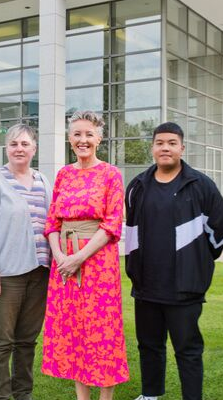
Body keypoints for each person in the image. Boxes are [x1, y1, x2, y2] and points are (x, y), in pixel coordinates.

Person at [124, 122, 223, 400]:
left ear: (182, 147)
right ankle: (150, 394)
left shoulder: (201, 185)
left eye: (172, 143)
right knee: (148, 345)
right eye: (160, 143)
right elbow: (131, 232)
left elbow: (219, 230)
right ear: (153, 148)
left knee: (188, 350)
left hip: (184, 286)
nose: (165, 148)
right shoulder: (137, 186)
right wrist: (135, 270)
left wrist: (197, 261)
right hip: (146, 284)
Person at [42, 110, 129, 400]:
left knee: (102, 331)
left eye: (89, 134)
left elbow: (113, 223)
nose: (83, 140)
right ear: (69, 139)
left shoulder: (111, 174)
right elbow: (52, 222)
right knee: (73, 329)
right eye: (77, 134)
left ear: (99, 138)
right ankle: (82, 397)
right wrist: (59, 256)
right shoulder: (64, 175)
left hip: (98, 264)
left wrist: (79, 257)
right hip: (64, 262)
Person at [0, 123, 53, 400]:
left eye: (25, 144)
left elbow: (53, 224)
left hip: (40, 273)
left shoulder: (43, 182)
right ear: (7, 148)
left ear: (34, 148)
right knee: (1, 342)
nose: (19, 149)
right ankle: (0, 396)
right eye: (14, 144)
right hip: (5, 275)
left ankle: (23, 394)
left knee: (27, 341)